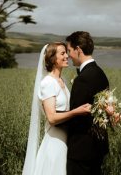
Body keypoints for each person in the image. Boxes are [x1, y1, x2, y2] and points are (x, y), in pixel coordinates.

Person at [22, 42, 92, 175]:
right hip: (55, 144)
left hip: (66, 143)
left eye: (66, 52)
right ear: (52, 58)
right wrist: (76, 112)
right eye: (62, 53)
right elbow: (52, 118)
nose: (67, 56)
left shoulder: (62, 81)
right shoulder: (48, 83)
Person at [65, 31, 110, 175]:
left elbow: (75, 116)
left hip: (81, 150)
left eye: (69, 51)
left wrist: (53, 119)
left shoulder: (83, 78)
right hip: (98, 147)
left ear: (78, 50)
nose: (68, 55)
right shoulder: (100, 73)